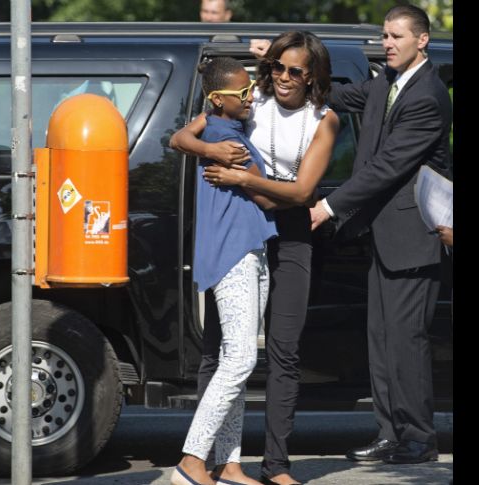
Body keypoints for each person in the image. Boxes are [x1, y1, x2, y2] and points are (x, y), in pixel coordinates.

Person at [171, 31, 338, 485]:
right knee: (223, 353)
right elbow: (185, 135)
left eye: (295, 70)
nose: (283, 77)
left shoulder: (324, 119)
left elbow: (303, 193)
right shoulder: (249, 100)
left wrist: (242, 178)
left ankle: (276, 466)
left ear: (313, 76)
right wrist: (210, 154)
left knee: (282, 351)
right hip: (243, 230)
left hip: (287, 227)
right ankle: (212, 462)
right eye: (278, 67)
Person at [304, 5, 452, 464]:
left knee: (407, 341)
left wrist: (329, 205)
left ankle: (418, 439)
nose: (387, 43)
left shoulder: (428, 96)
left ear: (421, 41)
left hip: (413, 237)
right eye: (385, 36)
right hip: (384, 236)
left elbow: (390, 167)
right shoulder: (389, 81)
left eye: (396, 36)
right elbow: (350, 98)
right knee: (382, 341)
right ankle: (390, 434)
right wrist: (298, 75)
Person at [171, 57, 277, 485]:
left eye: (251, 89)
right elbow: (270, 200)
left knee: (238, 362)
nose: (250, 97)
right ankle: (192, 461)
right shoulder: (224, 139)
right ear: (218, 100)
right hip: (235, 255)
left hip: (253, 251)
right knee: (239, 360)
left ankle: (229, 464)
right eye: (242, 93)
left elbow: (184, 135)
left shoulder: (220, 130)